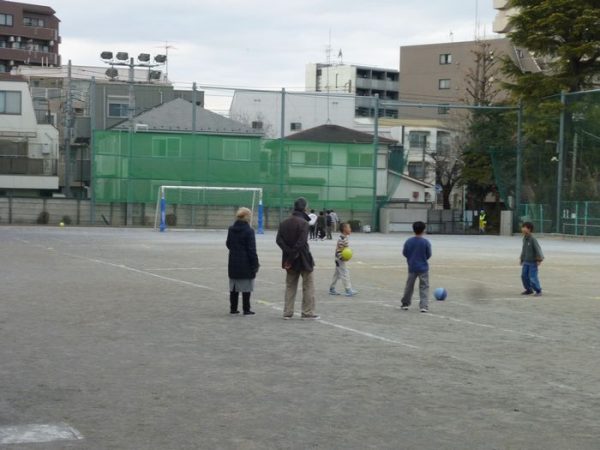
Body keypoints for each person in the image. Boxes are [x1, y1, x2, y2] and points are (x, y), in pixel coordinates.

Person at [276, 197, 319, 320]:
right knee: (308, 286)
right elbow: (301, 242)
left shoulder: (284, 222)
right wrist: (293, 253)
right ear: (304, 208)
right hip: (303, 258)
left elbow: (278, 240)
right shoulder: (304, 223)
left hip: (289, 260)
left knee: (290, 286)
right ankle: (307, 312)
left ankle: (287, 312)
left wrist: (288, 254)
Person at [226, 207, 259, 315]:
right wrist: (255, 264)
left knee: (234, 287)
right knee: (246, 286)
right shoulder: (249, 231)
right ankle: (246, 308)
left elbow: (228, 244)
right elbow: (252, 250)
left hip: (233, 261)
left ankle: (233, 308)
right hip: (246, 262)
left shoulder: (231, 229)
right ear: (247, 217)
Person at [400, 221, 432, 313]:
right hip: (423, 268)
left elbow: (405, 253)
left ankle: (405, 304)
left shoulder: (409, 241)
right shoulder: (425, 242)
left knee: (409, 286)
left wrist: (411, 258)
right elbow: (429, 254)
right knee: (424, 287)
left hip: (412, 267)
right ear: (423, 230)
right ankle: (424, 306)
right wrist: (423, 259)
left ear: (413, 230)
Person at [329, 222, 358, 297]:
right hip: (340, 259)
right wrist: (342, 258)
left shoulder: (344, 237)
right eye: (349, 228)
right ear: (344, 229)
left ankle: (332, 289)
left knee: (337, 275)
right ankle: (348, 290)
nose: (350, 229)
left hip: (339, 259)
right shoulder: (342, 238)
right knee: (345, 273)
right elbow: (339, 250)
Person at [520, 222, 544, 297]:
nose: (522, 229)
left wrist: (539, 260)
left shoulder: (533, 239)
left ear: (529, 229)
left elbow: (538, 249)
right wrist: (522, 259)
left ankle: (538, 290)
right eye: (522, 227)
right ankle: (529, 289)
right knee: (524, 276)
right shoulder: (524, 238)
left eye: (524, 227)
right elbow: (524, 250)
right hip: (526, 262)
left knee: (532, 277)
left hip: (533, 262)